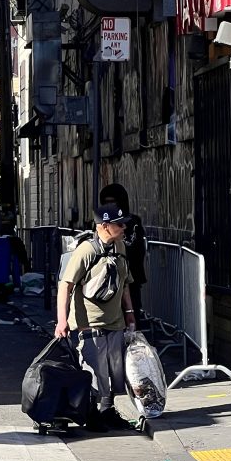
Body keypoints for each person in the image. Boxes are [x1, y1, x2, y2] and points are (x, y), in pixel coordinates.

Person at [54, 204, 137, 432]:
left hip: (115, 322)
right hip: (89, 324)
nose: (124, 227)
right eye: (119, 224)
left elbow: (124, 284)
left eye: (124, 223)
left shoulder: (120, 247)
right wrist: (62, 321)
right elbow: (66, 286)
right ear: (104, 226)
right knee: (94, 372)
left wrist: (129, 314)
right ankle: (92, 414)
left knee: (114, 372)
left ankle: (107, 412)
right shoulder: (86, 250)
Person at [99, 183, 147, 316]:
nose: (110, 205)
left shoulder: (133, 222)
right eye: (106, 202)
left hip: (130, 275)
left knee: (132, 314)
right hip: (107, 278)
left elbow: (135, 247)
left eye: (113, 202)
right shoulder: (100, 222)